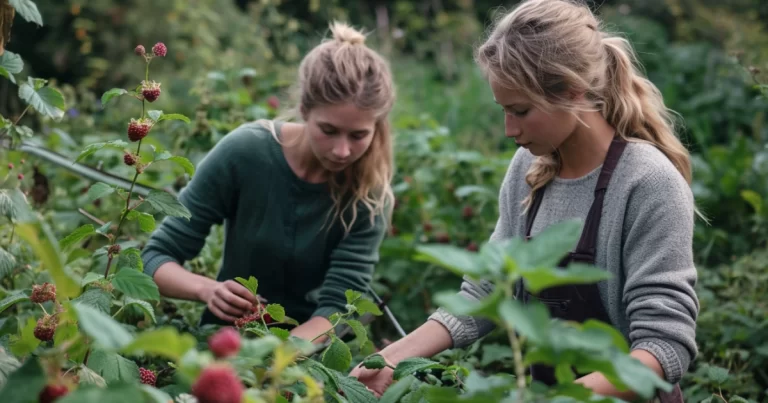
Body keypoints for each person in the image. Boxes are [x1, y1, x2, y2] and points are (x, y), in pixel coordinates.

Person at [350, 0, 699, 401]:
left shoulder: (648, 181)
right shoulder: (528, 168)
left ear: (573, 91)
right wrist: (389, 360)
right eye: (503, 110)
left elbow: (664, 347)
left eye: (520, 110)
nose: (508, 129)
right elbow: (485, 291)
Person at [140, 21, 396, 343]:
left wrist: (273, 365)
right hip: (226, 341)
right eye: (328, 130)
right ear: (304, 109)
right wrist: (208, 290)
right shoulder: (246, 153)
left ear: (377, 126)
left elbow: (339, 310)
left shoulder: (369, 195)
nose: (342, 151)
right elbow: (155, 258)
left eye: (359, 135)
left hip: (311, 358)